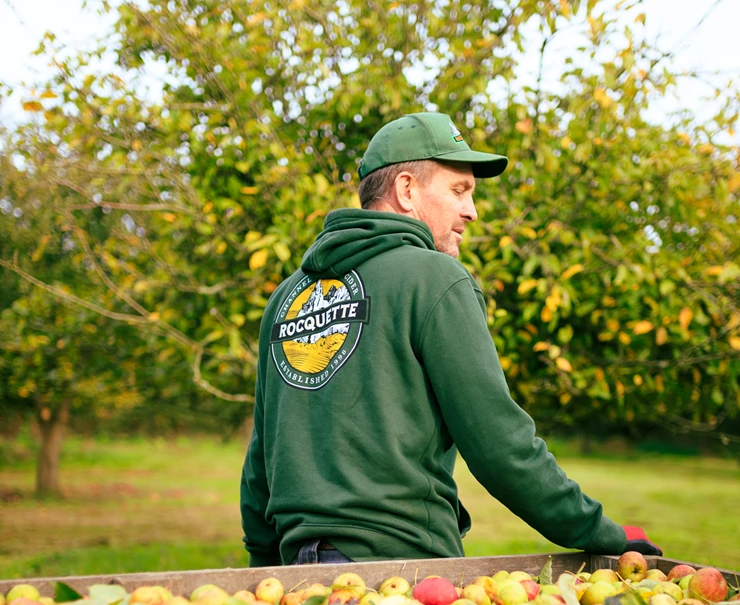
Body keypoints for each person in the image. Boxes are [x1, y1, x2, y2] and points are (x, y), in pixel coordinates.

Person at [241, 111, 661, 566]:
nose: (472, 211)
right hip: (400, 571)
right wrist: (601, 533)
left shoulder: (289, 297)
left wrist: (267, 576)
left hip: (297, 572)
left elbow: (261, 462)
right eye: (459, 190)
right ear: (406, 190)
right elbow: (500, 444)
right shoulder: (435, 279)